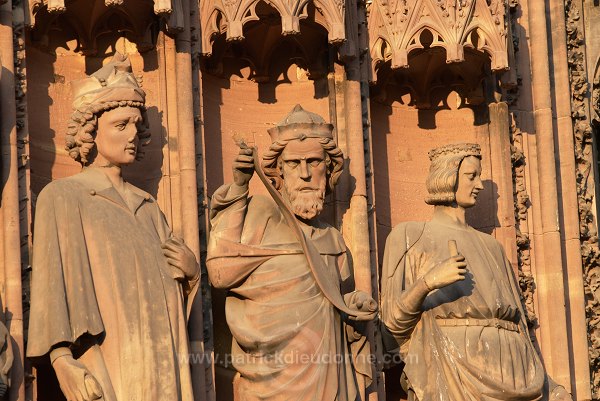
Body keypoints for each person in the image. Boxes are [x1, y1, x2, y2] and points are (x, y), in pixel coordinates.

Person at [27, 53, 199, 401]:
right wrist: (62, 360)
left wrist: (192, 276)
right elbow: (50, 286)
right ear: (91, 131)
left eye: (137, 124)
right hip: (105, 354)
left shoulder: (149, 208)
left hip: (162, 355)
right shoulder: (63, 196)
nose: (134, 133)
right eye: (121, 125)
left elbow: (171, 298)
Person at [207, 105, 376, 401]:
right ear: (279, 171)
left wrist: (355, 305)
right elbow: (221, 272)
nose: (305, 173)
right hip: (271, 378)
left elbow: (339, 307)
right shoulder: (259, 214)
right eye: (294, 163)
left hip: (329, 373)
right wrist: (238, 187)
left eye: (314, 161)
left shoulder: (333, 240)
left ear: (329, 169)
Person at [380, 143, 572, 401]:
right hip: (452, 372)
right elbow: (389, 329)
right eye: (472, 176)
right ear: (447, 178)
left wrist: (548, 384)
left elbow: (522, 329)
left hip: (516, 372)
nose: (479, 185)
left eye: (479, 176)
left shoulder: (492, 247)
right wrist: (427, 283)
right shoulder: (410, 236)